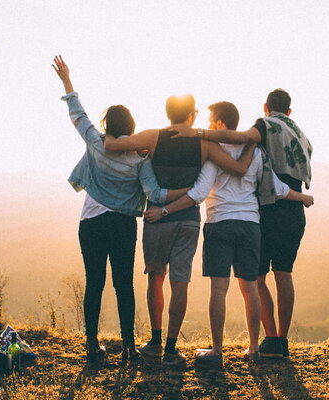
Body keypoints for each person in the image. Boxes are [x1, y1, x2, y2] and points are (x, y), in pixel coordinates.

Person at [144, 101, 313, 365]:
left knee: (219, 289)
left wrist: (164, 210)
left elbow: (198, 194)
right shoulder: (255, 152)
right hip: (250, 225)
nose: (209, 126)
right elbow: (275, 187)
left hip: (220, 223)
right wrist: (300, 197)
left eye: (212, 121)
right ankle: (254, 349)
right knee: (251, 289)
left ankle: (217, 351)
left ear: (221, 124)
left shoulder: (214, 154)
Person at [52, 56, 189, 365]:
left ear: (107, 125)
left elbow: (77, 114)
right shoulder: (139, 157)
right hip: (123, 224)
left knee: (95, 282)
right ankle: (129, 347)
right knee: (123, 285)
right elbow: (154, 193)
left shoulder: (96, 143)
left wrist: (67, 81)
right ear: (131, 127)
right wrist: (190, 193)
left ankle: (91, 345)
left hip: (91, 222)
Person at [103, 96, 255, 366]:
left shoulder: (152, 137)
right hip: (188, 220)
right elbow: (239, 169)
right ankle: (172, 348)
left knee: (155, 278)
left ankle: (155, 342)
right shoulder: (204, 144)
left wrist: (106, 131)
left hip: (156, 219)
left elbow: (113, 145)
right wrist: (254, 141)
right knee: (180, 282)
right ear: (191, 116)